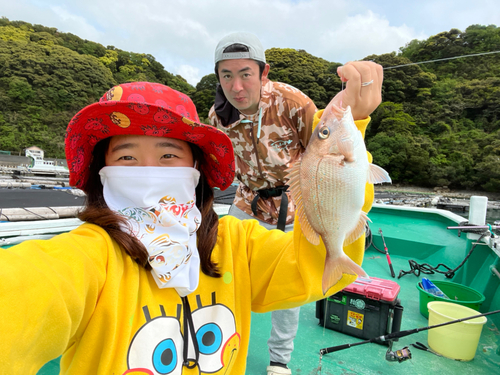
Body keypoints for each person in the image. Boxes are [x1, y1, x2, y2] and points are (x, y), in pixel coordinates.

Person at [0, 81, 371, 375]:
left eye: (168, 155)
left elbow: (316, 265)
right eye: (127, 157)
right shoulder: (85, 257)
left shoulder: (239, 246)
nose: (148, 172)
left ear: (195, 171)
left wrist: (351, 125)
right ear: (103, 171)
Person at [209, 32, 382, 375]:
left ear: (263, 72)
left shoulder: (292, 101)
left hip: (294, 206)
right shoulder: (218, 114)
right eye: (226, 75)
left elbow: (325, 152)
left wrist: (357, 113)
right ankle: (221, 342)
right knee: (224, 271)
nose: (237, 85)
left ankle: (279, 359)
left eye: (245, 73)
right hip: (245, 202)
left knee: (287, 285)